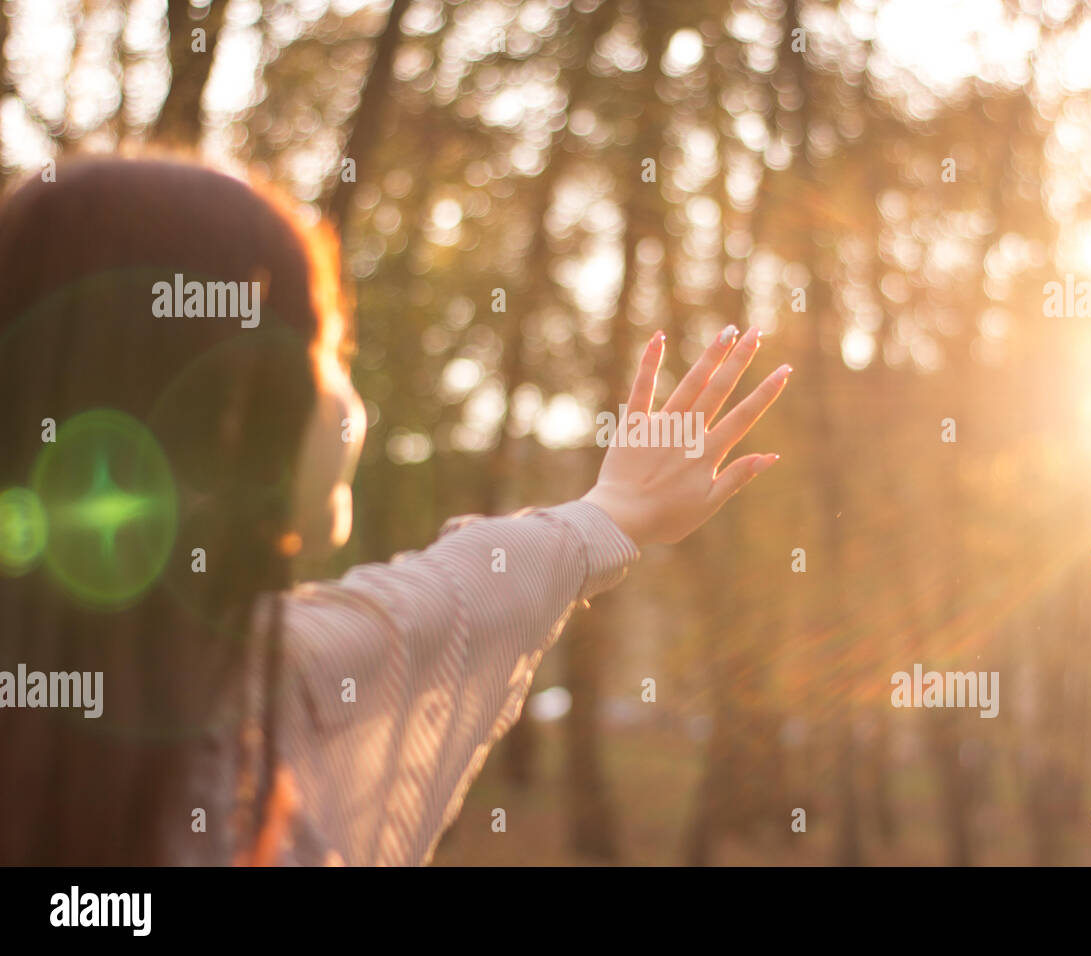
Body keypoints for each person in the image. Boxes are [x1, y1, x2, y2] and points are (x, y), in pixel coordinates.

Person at [0, 156, 790, 865]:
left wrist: (612, 512)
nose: (345, 389)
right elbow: (444, 608)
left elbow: (451, 599)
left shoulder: (251, 679)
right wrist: (611, 514)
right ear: (217, 413)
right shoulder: (268, 690)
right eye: (326, 347)